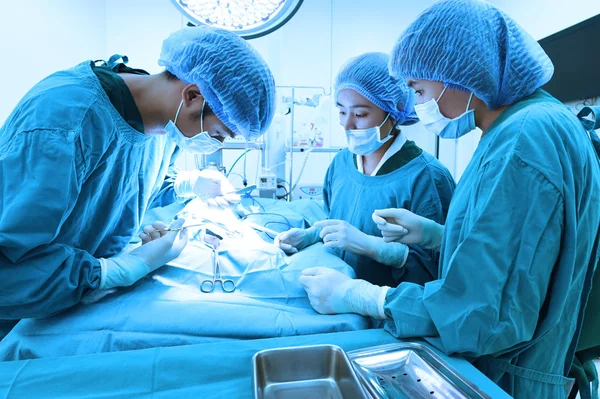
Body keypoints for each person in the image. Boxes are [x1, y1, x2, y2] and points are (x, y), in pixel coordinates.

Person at [298, 1, 600, 398]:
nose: (419, 103)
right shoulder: (523, 126)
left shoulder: (524, 140)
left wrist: (361, 295)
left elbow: (480, 314)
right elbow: (518, 255)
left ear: (464, 75)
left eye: (420, 89)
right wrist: (436, 235)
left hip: (505, 374)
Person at [0, 26, 276, 328]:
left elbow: (129, 186)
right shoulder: (63, 123)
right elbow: (8, 269)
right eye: (217, 134)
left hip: (69, 304)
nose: (216, 144)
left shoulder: (161, 124)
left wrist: (189, 183)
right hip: (19, 320)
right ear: (193, 95)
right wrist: (117, 269)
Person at [278, 52, 455, 288]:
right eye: (342, 111)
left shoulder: (428, 177)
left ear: (393, 112)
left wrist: (378, 250)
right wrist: (313, 235)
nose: (347, 124)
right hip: (336, 309)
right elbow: (336, 219)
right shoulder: (341, 164)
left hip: (391, 317)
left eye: (360, 114)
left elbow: (438, 272)